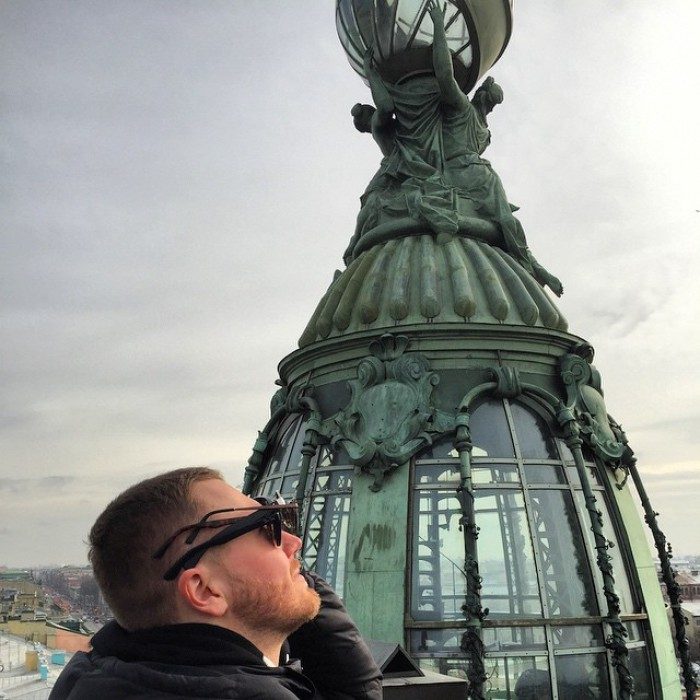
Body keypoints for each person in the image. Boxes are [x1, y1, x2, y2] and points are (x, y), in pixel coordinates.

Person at [49, 467, 382, 699]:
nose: (294, 542)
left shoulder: (102, 677)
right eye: (267, 527)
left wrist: (291, 577)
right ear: (204, 590)